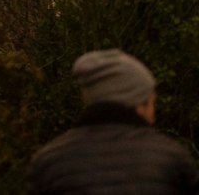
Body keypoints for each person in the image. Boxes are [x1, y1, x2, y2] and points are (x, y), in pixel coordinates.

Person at [26, 49, 198, 194]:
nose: (153, 113)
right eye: (151, 102)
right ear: (139, 102)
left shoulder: (48, 163)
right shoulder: (172, 158)